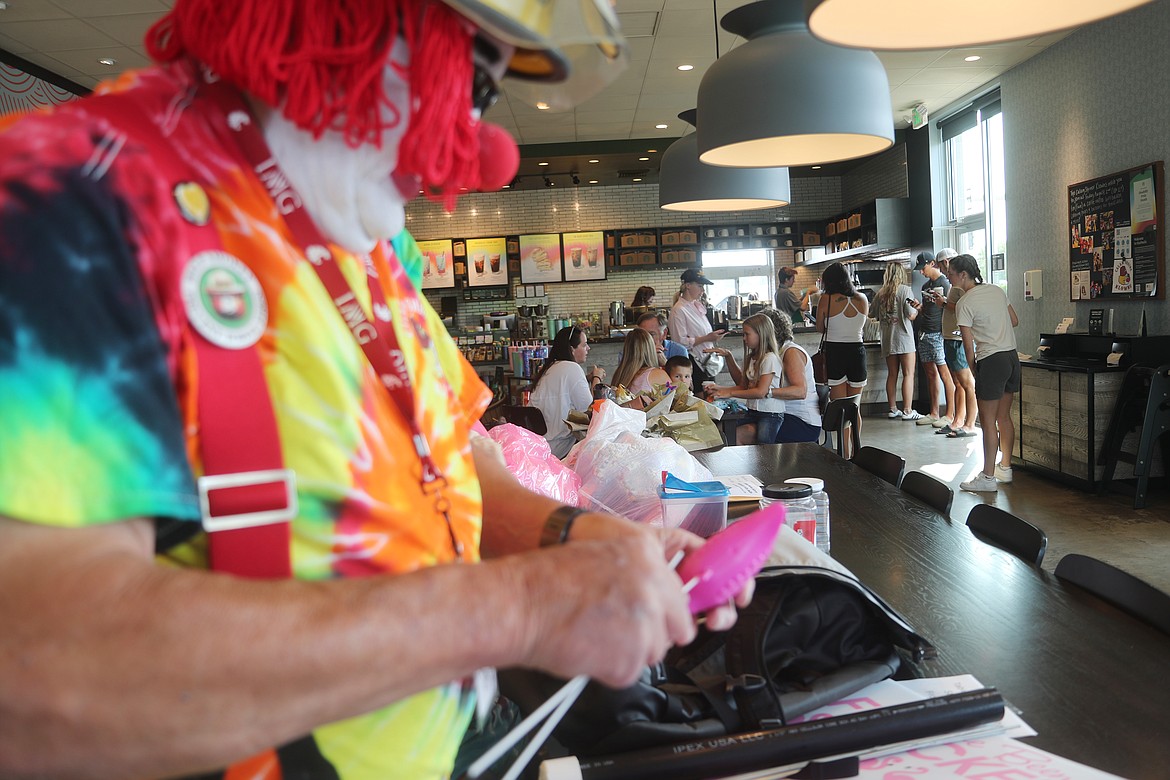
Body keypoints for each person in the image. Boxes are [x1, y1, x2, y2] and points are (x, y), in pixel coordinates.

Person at [0, 3, 752, 777]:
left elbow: (461, 468)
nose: (473, 154)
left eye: (482, 98)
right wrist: (520, 609)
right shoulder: (68, 197)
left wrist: (586, 548)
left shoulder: (364, 230)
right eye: (460, 83)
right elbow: (30, 666)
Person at [952, 254, 1020, 493]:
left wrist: (975, 371)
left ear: (963, 275)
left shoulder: (964, 303)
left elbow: (968, 347)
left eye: (951, 273)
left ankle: (988, 478)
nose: (949, 278)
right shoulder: (996, 290)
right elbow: (1014, 320)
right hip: (1012, 357)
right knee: (1005, 417)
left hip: (991, 360)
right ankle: (1005, 468)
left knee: (988, 422)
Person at [703, 313, 785, 444]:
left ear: (760, 334)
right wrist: (719, 389)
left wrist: (728, 392)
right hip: (754, 411)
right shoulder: (752, 358)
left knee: (765, 449)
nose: (744, 338)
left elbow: (760, 392)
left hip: (770, 414)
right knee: (723, 430)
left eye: (747, 334)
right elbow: (743, 386)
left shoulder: (770, 358)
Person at [816, 262, 869, 458]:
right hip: (857, 352)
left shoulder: (826, 299)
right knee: (855, 407)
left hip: (835, 353)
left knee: (840, 407)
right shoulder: (862, 298)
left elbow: (820, 328)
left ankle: (844, 454)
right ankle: (857, 451)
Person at [529, 326, 605, 458]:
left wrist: (587, 378)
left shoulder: (550, 367)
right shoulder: (572, 368)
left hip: (540, 445)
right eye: (584, 345)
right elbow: (591, 411)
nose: (588, 348)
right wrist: (597, 378)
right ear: (572, 349)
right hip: (560, 447)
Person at [936, 249, 978, 439]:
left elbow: (964, 307)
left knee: (967, 382)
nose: (947, 274)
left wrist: (944, 303)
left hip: (958, 338)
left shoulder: (964, 287)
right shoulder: (956, 286)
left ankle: (969, 423)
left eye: (950, 272)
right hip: (951, 337)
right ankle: (957, 420)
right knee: (958, 382)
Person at [912, 251, 955, 429]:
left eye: (923, 268)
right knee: (930, 374)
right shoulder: (926, 285)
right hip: (924, 333)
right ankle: (934, 412)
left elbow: (949, 308)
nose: (921, 272)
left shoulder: (944, 283)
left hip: (938, 333)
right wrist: (919, 307)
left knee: (945, 375)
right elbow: (929, 310)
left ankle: (950, 414)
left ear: (932, 263)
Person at [765, 310, 823, 443]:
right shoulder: (773, 352)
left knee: (743, 433)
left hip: (802, 422)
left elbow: (800, 391)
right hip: (781, 415)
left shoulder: (790, 352)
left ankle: (766, 463)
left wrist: (766, 392)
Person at [669, 268, 727, 395]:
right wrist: (707, 338)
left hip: (707, 362)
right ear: (688, 285)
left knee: (711, 398)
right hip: (694, 364)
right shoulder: (678, 310)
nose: (703, 290)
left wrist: (713, 337)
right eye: (700, 286)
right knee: (701, 401)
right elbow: (680, 342)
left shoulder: (696, 306)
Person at [874, 261, 920, 420]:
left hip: (888, 339)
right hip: (904, 339)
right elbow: (911, 315)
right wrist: (918, 308)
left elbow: (873, 314)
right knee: (908, 374)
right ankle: (908, 411)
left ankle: (893, 409)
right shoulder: (905, 290)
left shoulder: (880, 293)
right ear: (901, 274)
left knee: (892, 374)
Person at [612, 327, 670, 395]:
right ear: (650, 349)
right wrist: (666, 364)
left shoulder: (619, 375)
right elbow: (680, 395)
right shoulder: (658, 374)